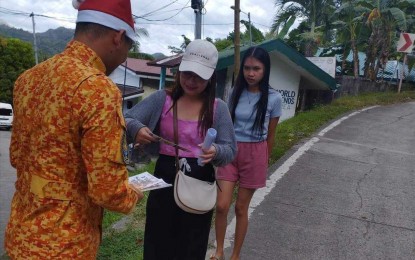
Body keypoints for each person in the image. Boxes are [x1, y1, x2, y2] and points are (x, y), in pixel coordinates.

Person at [5, 0, 144, 258]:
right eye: (129, 47)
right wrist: (132, 194)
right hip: (65, 245)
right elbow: (108, 191)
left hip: (21, 236)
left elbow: (16, 157)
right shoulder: (98, 89)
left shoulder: (28, 78)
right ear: (119, 37)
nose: (125, 56)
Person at [124, 39, 237, 260]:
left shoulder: (218, 108)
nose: (191, 81)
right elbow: (125, 118)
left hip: (199, 182)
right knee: (158, 243)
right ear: (179, 70)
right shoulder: (161, 99)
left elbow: (231, 149)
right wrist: (137, 129)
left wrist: (216, 152)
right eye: (187, 73)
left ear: (211, 77)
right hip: (163, 180)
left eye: (199, 77)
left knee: (192, 246)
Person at [211, 47, 282, 260]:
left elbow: (271, 135)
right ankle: (219, 250)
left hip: (256, 153)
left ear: (265, 70)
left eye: (256, 69)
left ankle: (235, 255)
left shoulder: (274, 98)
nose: (251, 73)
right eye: (247, 68)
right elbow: (226, 123)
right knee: (222, 205)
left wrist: (265, 160)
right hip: (231, 150)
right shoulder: (235, 92)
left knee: (241, 208)